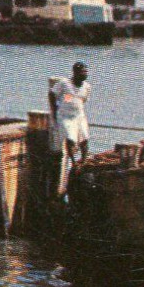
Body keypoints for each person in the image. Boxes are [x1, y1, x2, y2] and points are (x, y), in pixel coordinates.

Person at [49, 62, 91, 194]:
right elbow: (52, 94)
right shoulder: (64, 83)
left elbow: (81, 100)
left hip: (79, 116)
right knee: (70, 139)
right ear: (75, 73)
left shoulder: (87, 87)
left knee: (85, 139)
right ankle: (73, 162)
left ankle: (83, 161)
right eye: (82, 72)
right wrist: (54, 109)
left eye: (86, 72)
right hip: (65, 116)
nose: (85, 74)